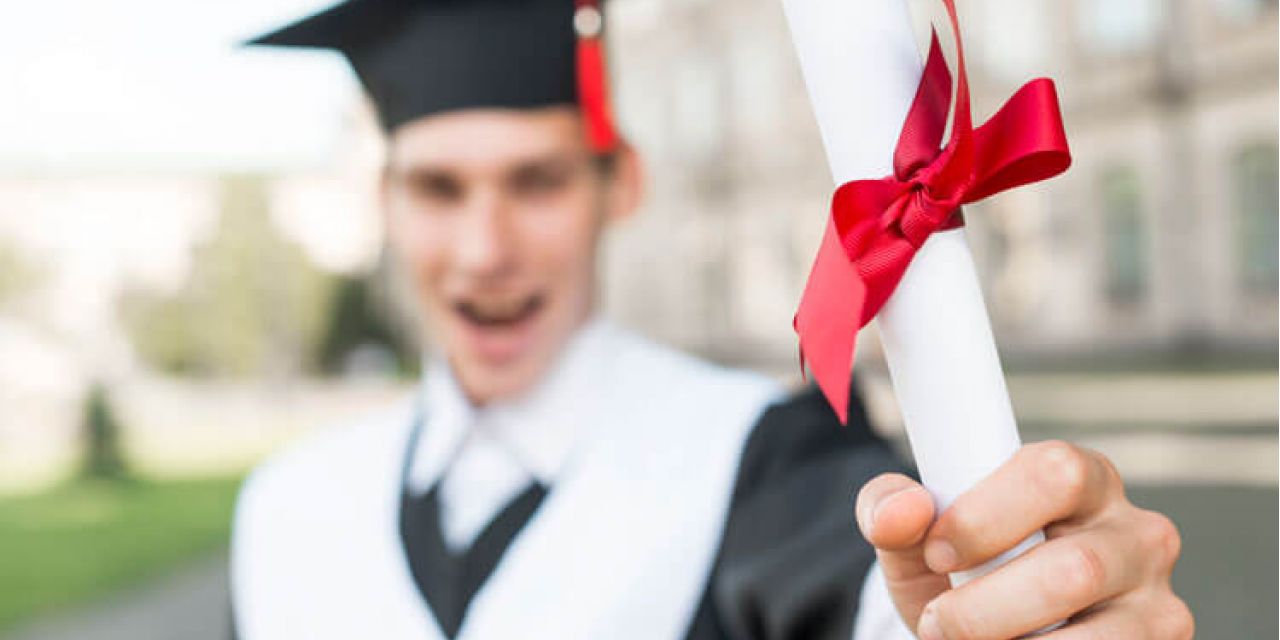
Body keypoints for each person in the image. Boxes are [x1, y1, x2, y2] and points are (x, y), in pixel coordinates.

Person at [231, 0, 1191, 638]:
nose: (486, 248)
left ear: (622, 185)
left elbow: (883, 601)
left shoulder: (768, 459)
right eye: (439, 189)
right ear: (385, 203)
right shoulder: (288, 508)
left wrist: (1041, 598)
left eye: (538, 181)